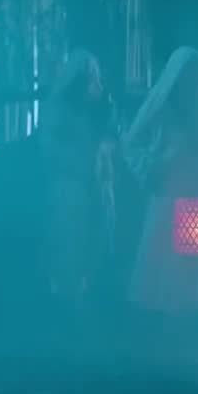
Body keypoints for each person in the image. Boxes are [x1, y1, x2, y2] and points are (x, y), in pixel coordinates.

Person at [122, 47, 198, 312]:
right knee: (163, 260)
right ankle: (163, 319)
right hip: (167, 196)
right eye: (186, 75)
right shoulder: (160, 108)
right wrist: (151, 168)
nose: (190, 81)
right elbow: (131, 144)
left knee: (193, 263)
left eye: (195, 75)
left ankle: (190, 315)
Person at [39, 48, 117, 305]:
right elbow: (51, 149)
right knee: (68, 243)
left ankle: (86, 293)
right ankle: (64, 298)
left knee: (94, 243)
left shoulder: (96, 112)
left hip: (95, 187)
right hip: (70, 189)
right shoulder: (60, 110)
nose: (96, 83)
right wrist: (81, 163)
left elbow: (108, 143)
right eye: (90, 77)